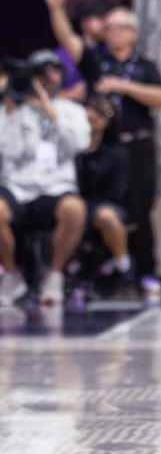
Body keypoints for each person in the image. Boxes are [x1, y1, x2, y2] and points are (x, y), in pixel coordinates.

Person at [42, 0, 161, 298]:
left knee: (141, 209)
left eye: (119, 27)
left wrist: (123, 87)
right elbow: (68, 41)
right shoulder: (97, 62)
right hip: (103, 146)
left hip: (137, 143)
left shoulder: (144, 66)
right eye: (109, 27)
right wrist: (57, 9)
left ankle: (145, 271)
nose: (113, 32)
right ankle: (96, 269)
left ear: (132, 32)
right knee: (98, 207)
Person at [0, 52, 91, 306]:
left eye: (55, 71)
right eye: (42, 73)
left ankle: (54, 274)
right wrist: (11, 110)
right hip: (18, 187)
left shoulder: (71, 110)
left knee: (75, 210)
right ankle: (12, 274)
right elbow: (9, 152)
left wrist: (51, 113)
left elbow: (80, 143)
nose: (49, 78)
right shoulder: (12, 110)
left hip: (55, 186)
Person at [77, 94, 135, 296]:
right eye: (91, 110)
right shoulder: (72, 146)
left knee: (106, 216)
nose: (94, 116)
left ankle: (123, 265)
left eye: (102, 113)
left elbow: (115, 191)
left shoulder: (116, 152)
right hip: (74, 201)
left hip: (105, 202)